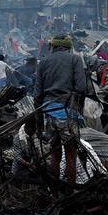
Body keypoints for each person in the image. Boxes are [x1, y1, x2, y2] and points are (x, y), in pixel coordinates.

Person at [35, 34, 87, 186]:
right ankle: (69, 192)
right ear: (68, 46)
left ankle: (55, 191)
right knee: (71, 154)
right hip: (68, 113)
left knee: (55, 154)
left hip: (49, 113)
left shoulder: (43, 62)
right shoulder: (75, 59)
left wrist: (39, 123)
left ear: (53, 46)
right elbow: (81, 88)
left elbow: (37, 95)